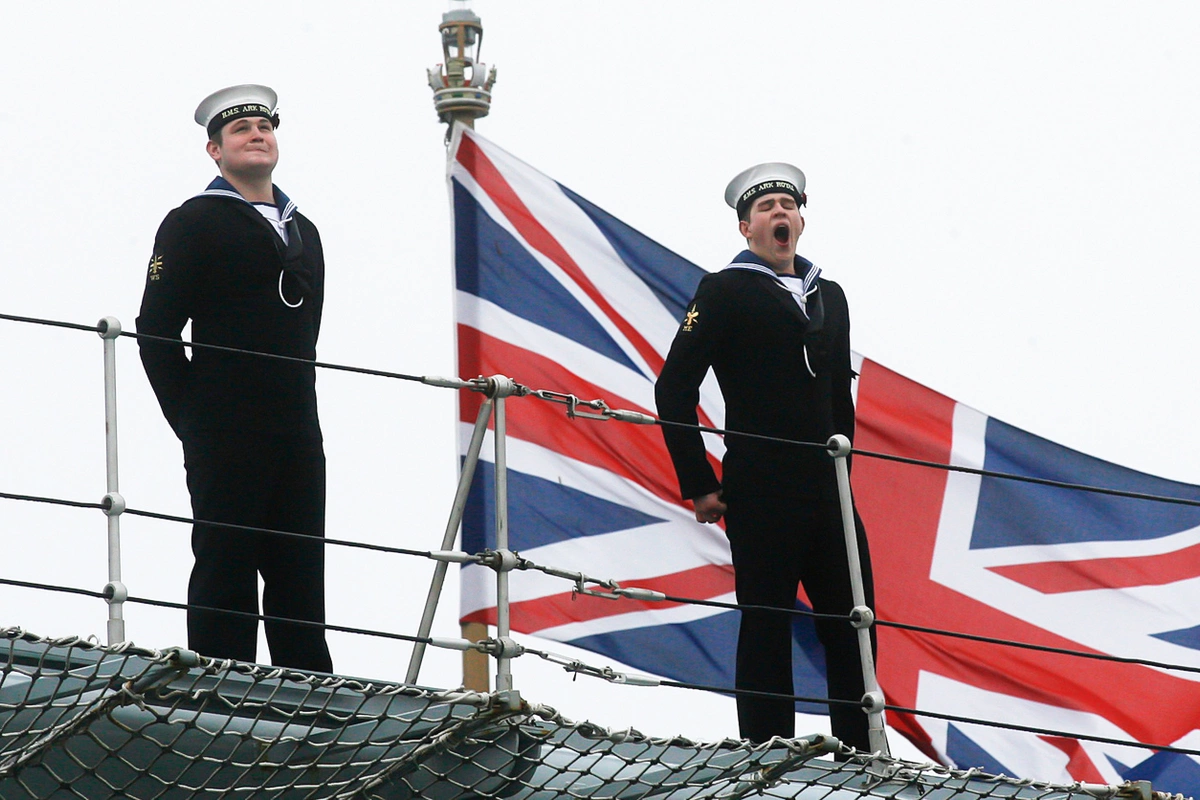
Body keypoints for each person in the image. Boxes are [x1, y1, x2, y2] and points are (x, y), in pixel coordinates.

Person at [655, 162, 874, 750]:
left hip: (826, 487)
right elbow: (673, 386)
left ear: (802, 219)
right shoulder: (724, 290)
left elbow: (838, 395)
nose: (781, 213)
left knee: (855, 621)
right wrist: (698, 481)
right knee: (767, 620)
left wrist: (843, 478)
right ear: (746, 227)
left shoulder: (829, 294)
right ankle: (766, 752)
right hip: (762, 482)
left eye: (788, 204)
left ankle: (863, 752)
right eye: (767, 206)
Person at [137, 84, 333, 673]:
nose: (256, 134)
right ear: (214, 151)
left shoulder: (308, 232)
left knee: (300, 564)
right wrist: (193, 419)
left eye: (264, 125)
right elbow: (157, 329)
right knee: (226, 562)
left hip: (298, 428)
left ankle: (313, 691)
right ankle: (221, 690)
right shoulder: (193, 221)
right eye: (240, 128)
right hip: (224, 423)